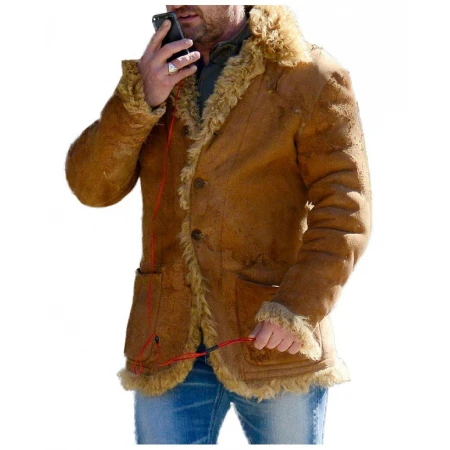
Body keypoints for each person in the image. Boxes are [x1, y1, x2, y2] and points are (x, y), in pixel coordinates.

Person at [65, 4, 372, 445]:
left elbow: (345, 208)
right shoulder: (159, 75)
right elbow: (91, 187)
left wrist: (297, 308)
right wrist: (140, 100)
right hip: (168, 339)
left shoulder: (309, 75)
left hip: (274, 339)